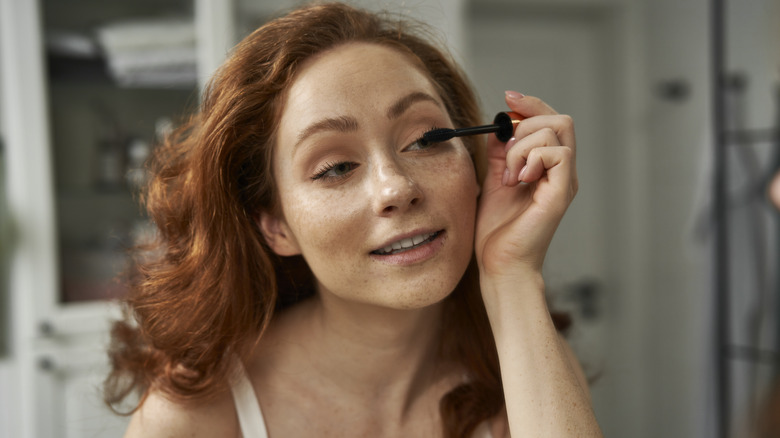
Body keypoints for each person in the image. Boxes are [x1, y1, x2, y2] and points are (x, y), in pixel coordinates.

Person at [104, 2, 602, 437]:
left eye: (426, 140)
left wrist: (511, 275)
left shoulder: (532, 375)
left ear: (472, 165)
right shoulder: (194, 418)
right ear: (275, 225)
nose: (397, 189)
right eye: (336, 167)